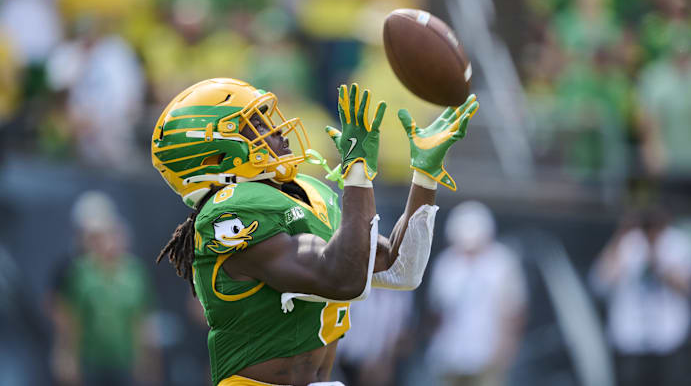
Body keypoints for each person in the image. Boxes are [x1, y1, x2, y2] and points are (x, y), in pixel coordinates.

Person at [152, 78, 478, 386]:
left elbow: (400, 269)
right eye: (256, 126)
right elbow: (341, 278)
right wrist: (357, 170)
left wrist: (424, 176)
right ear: (214, 154)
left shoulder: (303, 191)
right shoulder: (228, 212)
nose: (276, 130)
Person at [49, 191, 159, 386]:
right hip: (90, 358)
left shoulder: (134, 272)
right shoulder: (78, 270)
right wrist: (66, 354)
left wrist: (147, 360)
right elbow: (65, 313)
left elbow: (141, 318)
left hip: (123, 358)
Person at [589, 207, 691, 386]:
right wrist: (620, 235)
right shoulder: (626, 242)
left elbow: (687, 287)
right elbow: (600, 282)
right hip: (630, 341)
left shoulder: (680, 243)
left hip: (669, 340)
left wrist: (656, 258)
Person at [425, 201, 527, 386]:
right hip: (449, 354)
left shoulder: (502, 262)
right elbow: (437, 312)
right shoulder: (446, 264)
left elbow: (514, 311)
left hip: (488, 356)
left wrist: (505, 348)